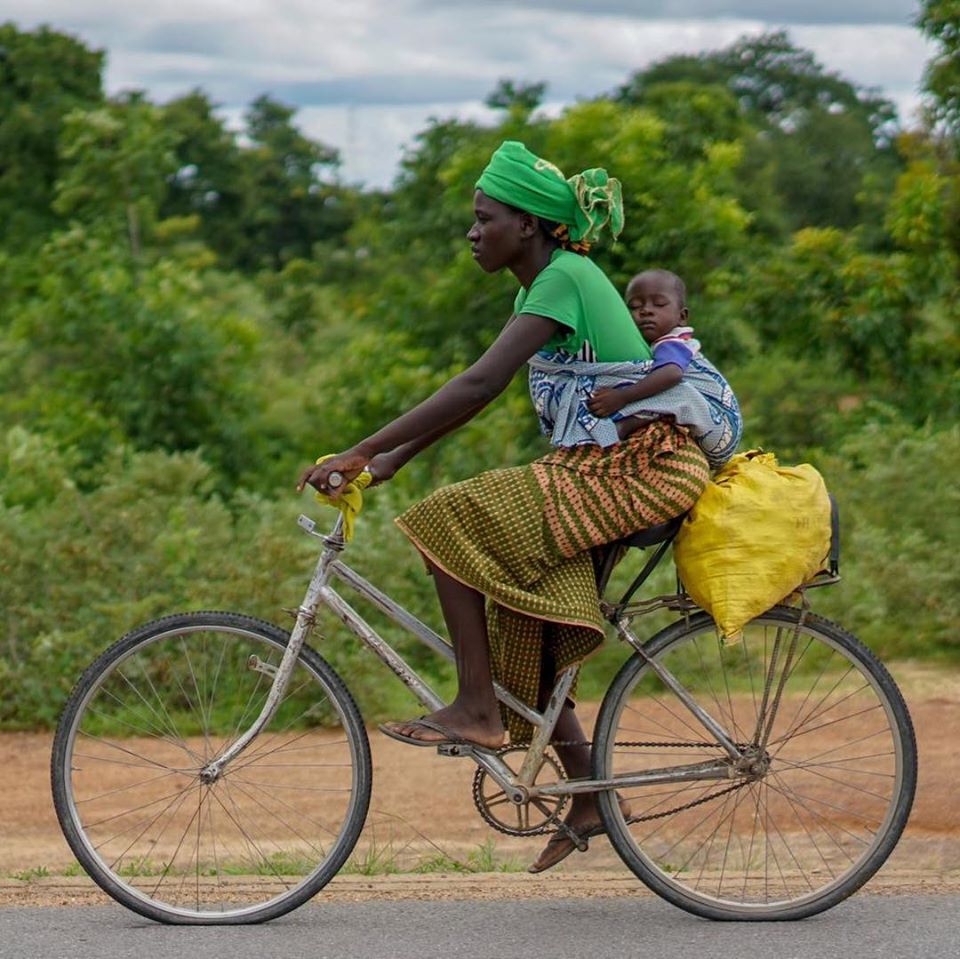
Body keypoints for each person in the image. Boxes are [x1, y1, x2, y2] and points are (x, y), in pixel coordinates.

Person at [298, 140, 711, 873]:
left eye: (484, 217)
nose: (472, 230)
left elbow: (478, 383)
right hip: (601, 467)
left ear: (529, 225)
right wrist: (391, 459)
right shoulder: (543, 286)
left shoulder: (565, 278)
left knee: (447, 519)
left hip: (634, 468)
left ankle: (478, 709)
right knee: (530, 607)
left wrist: (358, 448)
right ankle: (588, 794)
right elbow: (474, 396)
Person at [584, 268, 742, 468]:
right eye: (634, 306)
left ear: (682, 317)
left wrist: (622, 397)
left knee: (672, 388)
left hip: (721, 429)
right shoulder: (650, 347)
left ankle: (623, 425)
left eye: (659, 304)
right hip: (710, 432)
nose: (646, 311)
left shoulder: (673, 342)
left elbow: (672, 374)